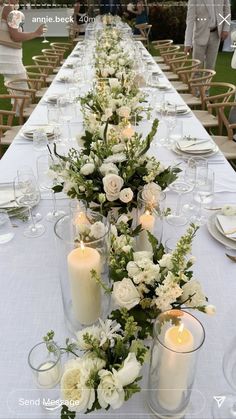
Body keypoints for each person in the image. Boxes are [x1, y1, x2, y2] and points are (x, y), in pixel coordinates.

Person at [0, 0, 44, 86]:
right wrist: (36, 33)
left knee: (15, 89)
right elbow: (16, 36)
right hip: (9, 57)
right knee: (23, 91)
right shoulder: (8, 9)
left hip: (4, 56)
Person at [184, 0, 231, 69]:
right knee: (196, 69)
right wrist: (188, 43)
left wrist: (226, 29)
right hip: (199, 35)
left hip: (216, 34)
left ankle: (208, 80)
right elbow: (190, 20)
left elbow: (227, 11)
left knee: (210, 68)